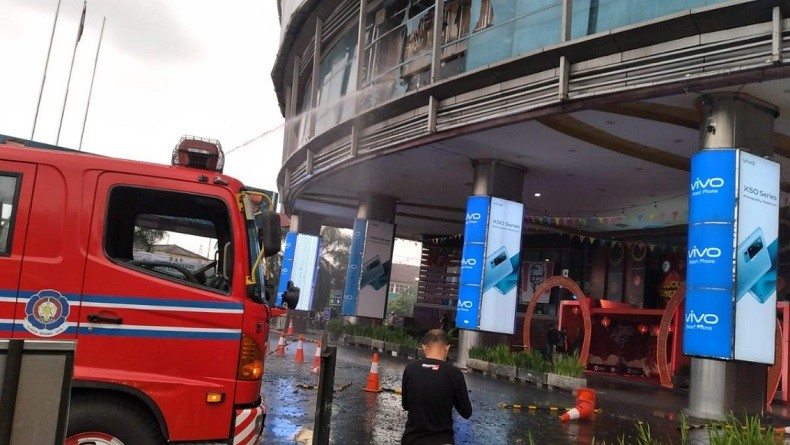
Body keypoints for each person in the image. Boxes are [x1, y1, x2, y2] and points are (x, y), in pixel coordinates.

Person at [401, 329, 472, 445]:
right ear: (447, 348)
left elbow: (406, 405)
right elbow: (466, 412)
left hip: (411, 440)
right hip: (442, 440)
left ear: (423, 347)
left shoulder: (410, 369)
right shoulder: (454, 373)